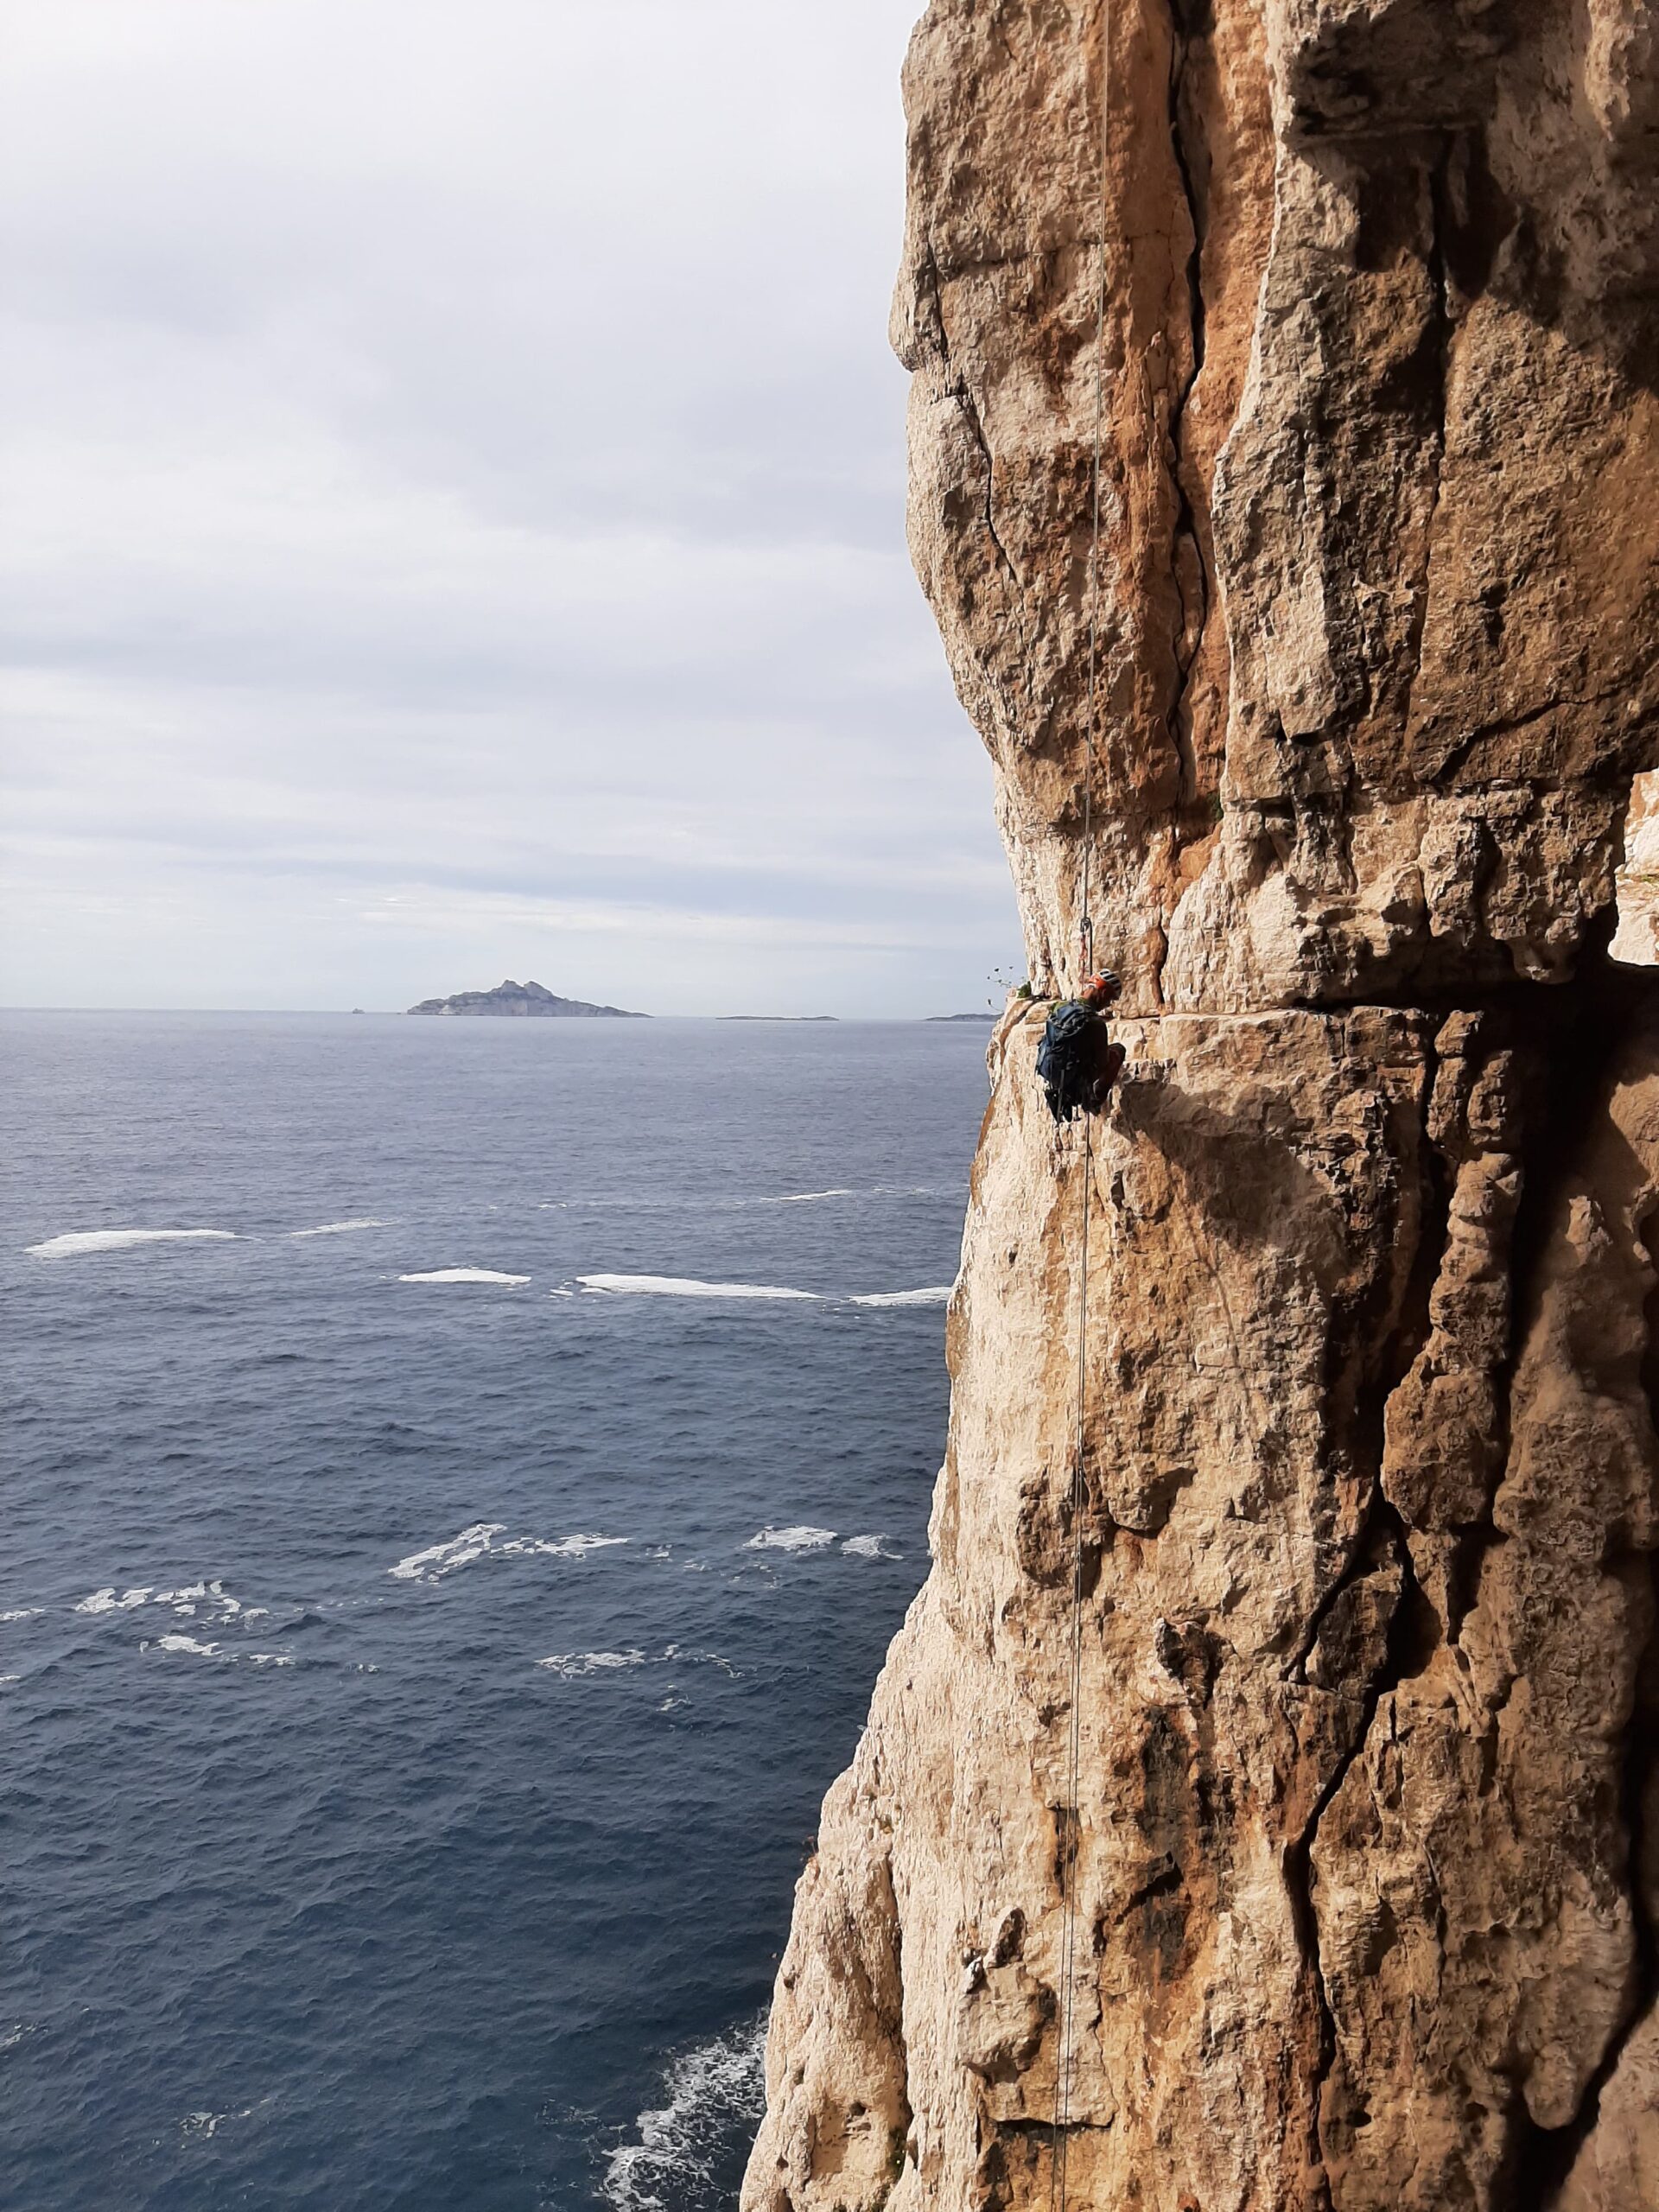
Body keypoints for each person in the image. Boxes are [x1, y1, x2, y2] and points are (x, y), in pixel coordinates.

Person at [1036, 969, 1124, 1123]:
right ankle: (1094, 1101)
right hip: (1074, 1081)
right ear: (1103, 992)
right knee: (1118, 1051)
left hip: (1050, 1074)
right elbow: (1103, 1062)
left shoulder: (1059, 1007)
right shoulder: (1095, 1023)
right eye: (1109, 999)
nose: (1108, 1004)